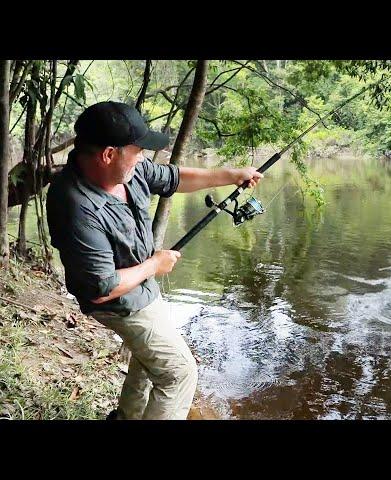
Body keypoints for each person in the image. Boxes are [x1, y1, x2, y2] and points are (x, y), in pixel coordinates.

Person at [46, 101, 263, 420]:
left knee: (148, 365)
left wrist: (230, 176)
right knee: (179, 373)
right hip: (117, 303)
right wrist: (153, 265)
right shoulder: (75, 204)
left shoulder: (128, 169)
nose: (143, 158)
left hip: (142, 290)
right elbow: (100, 289)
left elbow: (174, 179)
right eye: (138, 150)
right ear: (109, 154)